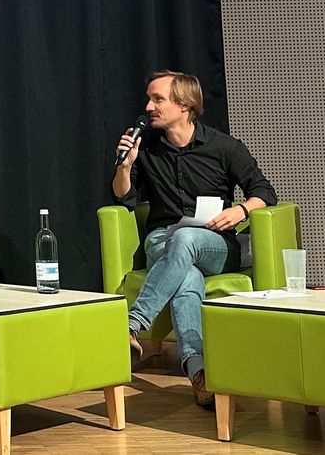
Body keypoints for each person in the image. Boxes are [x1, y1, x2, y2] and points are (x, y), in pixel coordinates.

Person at [111, 71, 276, 409]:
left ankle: (132, 323)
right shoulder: (146, 147)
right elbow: (123, 198)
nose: (148, 107)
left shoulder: (224, 147)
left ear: (184, 105)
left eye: (157, 99)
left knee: (187, 238)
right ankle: (199, 373)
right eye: (149, 99)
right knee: (186, 275)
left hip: (216, 242)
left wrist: (241, 210)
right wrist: (125, 166)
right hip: (163, 240)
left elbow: (264, 192)